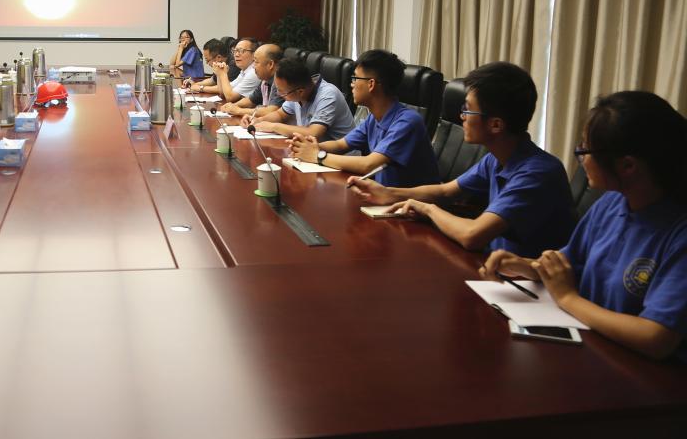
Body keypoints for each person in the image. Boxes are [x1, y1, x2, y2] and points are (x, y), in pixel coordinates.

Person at [481, 91, 687, 361]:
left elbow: (656, 337)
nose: (581, 159)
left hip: (644, 375)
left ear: (628, 166)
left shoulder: (678, 233)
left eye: (584, 150)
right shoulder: (611, 203)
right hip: (594, 350)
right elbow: (568, 265)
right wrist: (528, 267)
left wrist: (569, 299)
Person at [349, 61, 574, 256]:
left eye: (468, 110)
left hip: (526, 284)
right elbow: (446, 192)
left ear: (496, 125)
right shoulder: (496, 159)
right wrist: (388, 193)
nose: (461, 117)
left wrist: (428, 210)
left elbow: (472, 235)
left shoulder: (537, 173)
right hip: (495, 268)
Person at [290, 49, 440, 187]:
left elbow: (369, 164)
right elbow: (341, 144)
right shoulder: (374, 118)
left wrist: (317, 155)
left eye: (355, 78)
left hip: (410, 203)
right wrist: (308, 147)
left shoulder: (408, 122)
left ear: (371, 84)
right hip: (383, 196)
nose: (352, 84)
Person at [251, 56, 354, 140]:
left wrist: (273, 126)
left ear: (300, 92)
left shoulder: (328, 95)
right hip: (313, 151)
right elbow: (280, 114)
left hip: (340, 156)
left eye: (282, 92)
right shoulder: (296, 91)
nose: (278, 94)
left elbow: (313, 133)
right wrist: (259, 121)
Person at [221, 44, 284, 119]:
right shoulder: (265, 80)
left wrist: (239, 110)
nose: (253, 66)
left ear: (270, 64)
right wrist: (233, 106)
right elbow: (251, 100)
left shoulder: (281, 81)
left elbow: (271, 111)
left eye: (256, 62)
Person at [211, 37, 261, 103]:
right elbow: (222, 92)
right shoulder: (244, 71)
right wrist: (219, 74)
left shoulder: (254, 72)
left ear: (254, 54)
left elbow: (230, 97)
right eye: (235, 51)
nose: (236, 55)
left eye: (241, 51)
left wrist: (223, 74)